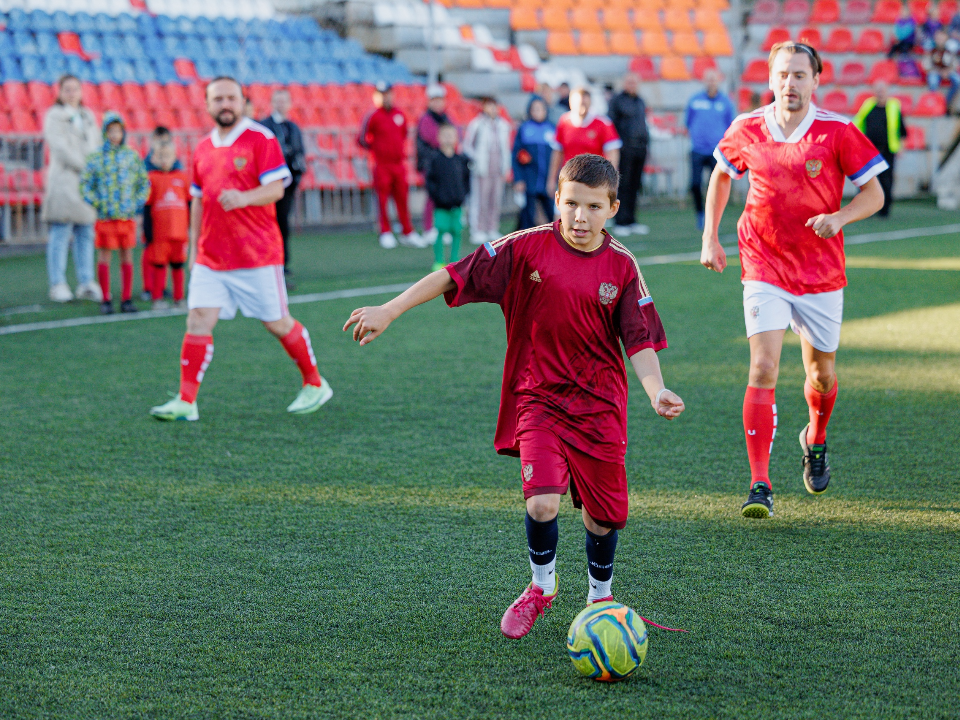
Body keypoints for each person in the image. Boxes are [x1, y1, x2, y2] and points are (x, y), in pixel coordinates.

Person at [344, 153, 684, 639]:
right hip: (538, 399)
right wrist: (391, 309)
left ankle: (599, 599)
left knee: (602, 517)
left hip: (599, 407)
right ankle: (541, 588)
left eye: (592, 206)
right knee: (541, 502)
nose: (579, 217)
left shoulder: (623, 267)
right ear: (557, 200)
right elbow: (454, 273)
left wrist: (656, 390)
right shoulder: (525, 248)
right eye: (570, 204)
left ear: (612, 207)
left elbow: (640, 339)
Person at [701, 42, 886, 519]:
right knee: (762, 368)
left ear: (816, 80)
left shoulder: (838, 131)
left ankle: (815, 437)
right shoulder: (747, 128)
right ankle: (759, 483)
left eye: (800, 75)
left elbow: (874, 194)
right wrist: (710, 237)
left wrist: (840, 218)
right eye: (783, 74)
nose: (791, 83)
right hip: (763, 265)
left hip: (821, 271)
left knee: (820, 375)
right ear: (771, 79)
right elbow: (721, 177)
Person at [149, 77, 333, 422]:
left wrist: (244, 198)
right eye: (218, 99)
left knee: (277, 323)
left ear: (243, 101)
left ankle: (315, 383)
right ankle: (187, 401)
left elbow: (277, 188)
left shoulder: (260, 138)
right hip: (211, 256)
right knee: (198, 320)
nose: (225, 104)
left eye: (231, 98)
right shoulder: (202, 147)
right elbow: (198, 202)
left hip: (256, 255)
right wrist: (193, 250)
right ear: (207, 105)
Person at [80, 111, 150, 315]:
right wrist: (98, 203)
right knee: (104, 257)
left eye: (118, 131)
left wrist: (136, 204)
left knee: (127, 256)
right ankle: (105, 298)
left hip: (126, 218)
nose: (115, 135)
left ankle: (126, 298)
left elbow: (143, 183)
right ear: (104, 132)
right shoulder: (96, 158)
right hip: (106, 218)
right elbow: (85, 184)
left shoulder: (131, 156)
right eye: (111, 131)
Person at [42, 74, 101, 304]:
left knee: (85, 232)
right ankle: (57, 283)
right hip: (65, 180)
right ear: (60, 92)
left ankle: (86, 281)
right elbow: (60, 148)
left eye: (75, 89)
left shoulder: (87, 116)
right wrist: (86, 165)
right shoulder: (55, 116)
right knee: (61, 232)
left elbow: (95, 144)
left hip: (86, 184)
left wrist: (94, 167)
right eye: (67, 89)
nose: (72, 93)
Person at [358, 81, 424, 249]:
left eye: (388, 94)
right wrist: (377, 150)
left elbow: (403, 134)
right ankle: (385, 231)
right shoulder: (373, 116)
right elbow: (362, 139)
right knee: (382, 200)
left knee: (402, 198)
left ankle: (407, 231)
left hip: (398, 164)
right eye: (382, 94)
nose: (386, 97)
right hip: (382, 165)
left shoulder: (399, 114)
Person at [260, 88, 306, 281]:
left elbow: (299, 155)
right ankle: (265, 262)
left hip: (287, 187)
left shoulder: (293, 127)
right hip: (267, 185)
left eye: (284, 101)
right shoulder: (264, 126)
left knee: (282, 224)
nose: (281, 104)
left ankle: (282, 263)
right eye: (277, 101)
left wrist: (295, 178)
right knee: (266, 224)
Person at [143, 128, 190, 310]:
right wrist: (148, 231)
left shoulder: (182, 178)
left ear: (175, 157)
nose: (164, 160)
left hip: (179, 233)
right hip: (160, 234)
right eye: (160, 156)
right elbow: (147, 207)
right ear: (154, 158)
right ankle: (158, 298)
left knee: (178, 265)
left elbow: (189, 203)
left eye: (168, 156)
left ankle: (179, 298)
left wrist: (191, 228)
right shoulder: (152, 178)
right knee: (159, 266)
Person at [547, 88, 621, 199]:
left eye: (584, 103)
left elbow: (613, 152)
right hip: (569, 179)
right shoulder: (564, 121)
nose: (581, 106)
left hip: (594, 181)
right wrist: (551, 179)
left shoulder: (602, 122)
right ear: (571, 103)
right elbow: (557, 152)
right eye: (578, 103)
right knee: (562, 215)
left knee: (592, 213)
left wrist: (612, 180)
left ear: (590, 102)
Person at [684, 69, 735, 230]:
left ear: (718, 81)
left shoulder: (726, 103)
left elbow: (730, 127)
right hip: (698, 150)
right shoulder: (695, 101)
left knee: (717, 186)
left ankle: (714, 217)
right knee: (695, 184)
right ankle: (700, 214)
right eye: (708, 79)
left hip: (717, 152)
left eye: (714, 80)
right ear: (704, 81)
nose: (711, 83)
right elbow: (688, 122)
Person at [852, 82, 907, 217]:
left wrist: (901, 147)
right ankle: (863, 208)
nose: (880, 93)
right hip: (869, 150)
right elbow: (857, 124)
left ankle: (885, 209)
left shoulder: (894, 106)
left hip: (888, 150)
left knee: (886, 180)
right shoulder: (868, 105)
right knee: (864, 179)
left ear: (887, 91)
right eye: (878, 90)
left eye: (883, 90)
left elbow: (902, 130)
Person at [463, 96, 512, 245]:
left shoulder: (503, 125)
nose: (492, 109)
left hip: (498, 168)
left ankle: (492, 227)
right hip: (482, 169)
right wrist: (476, 158)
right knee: (480, 199)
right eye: (489, 106)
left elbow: (506, 147)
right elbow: (467, 145)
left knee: (495, 199)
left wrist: (506, 165)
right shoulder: (477, 124)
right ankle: (477, 229)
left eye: (494, 106)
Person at [608, 74, 650, 236]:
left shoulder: (640, 101)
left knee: (635, 185)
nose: (632, 85)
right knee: (623, 186)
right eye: (629, 82)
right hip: (624, 150)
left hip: (640, 149)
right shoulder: (617, 101)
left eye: (634, 82)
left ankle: (632, 220)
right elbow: (611, 125)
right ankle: (620, 221)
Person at [425, 124, 470, 271]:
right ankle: (439, 260)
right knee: (440, 230)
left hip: (457, 205)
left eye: (451, 135)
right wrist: (437, 197)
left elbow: (466, 180)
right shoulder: (435, 159)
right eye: (445, 135)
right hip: (441, 206)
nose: (448, 138)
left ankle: (455, 260)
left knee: (457, 231)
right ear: (439, 138)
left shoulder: (461, 160)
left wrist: (462, 196)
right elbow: (430, 181)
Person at [416, 84, 455, 245]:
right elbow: (433, 138)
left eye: (440, 100)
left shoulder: (446, 117)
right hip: (431, 163)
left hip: (444, 162)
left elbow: (455, 134)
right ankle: (428, 228)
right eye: (434, 100)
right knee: (432, 196)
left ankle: (442, 227)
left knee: (444, 197)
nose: (438, 104)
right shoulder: (426, 119)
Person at [512, 95, 556, 230]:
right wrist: (518, 179)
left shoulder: (552, 128)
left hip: (548, 180)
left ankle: (554, 242)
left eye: (540, 109)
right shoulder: (524, 128)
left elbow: (558, 155)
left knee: (551, 214)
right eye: (534, 109)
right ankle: (523, 242)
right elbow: (516, 155)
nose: (537, 112)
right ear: (529, 111)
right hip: (529, 179)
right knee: (527, 215)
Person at [923, 29, 960, 113]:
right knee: (933, 81)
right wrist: (939, 71)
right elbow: (926, 65)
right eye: (938, 38)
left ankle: (946, 103)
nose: (940, 40)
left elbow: (954, 64)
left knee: (958, 81)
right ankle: (935, 103)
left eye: (942, 38)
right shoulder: (930, 49)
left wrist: (948, 71)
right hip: (934, 72)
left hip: (948, 71)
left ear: (946, 39)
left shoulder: (950, 50)